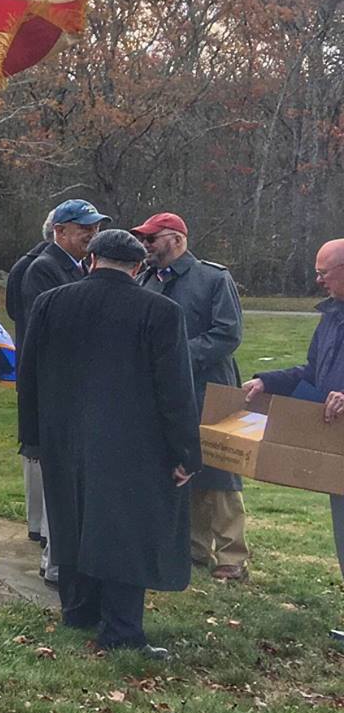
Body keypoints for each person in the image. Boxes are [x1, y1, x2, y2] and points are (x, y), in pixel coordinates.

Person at [16, 228, 197, 657]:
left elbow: (29, 376)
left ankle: (78, 611)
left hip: (63, 438)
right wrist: (185, 451)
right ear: (137, 268)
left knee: (71, 521)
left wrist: (33, 438)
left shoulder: (50, 304)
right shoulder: (160, 312)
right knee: (123, 533)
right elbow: (175, 390)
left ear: (92, 260)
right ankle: (121, 629)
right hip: (133, 444)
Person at [242, 237, 344, 643]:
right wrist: (268, 380)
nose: (318, 281)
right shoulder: (331, 317)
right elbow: (312, 372)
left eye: (325, 273)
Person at [135, 212, 247, 581]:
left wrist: (180, 355)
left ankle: (232, 555)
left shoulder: (213, 278)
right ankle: (193, 548)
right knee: (182, 465)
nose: (146, 245)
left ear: (177, 240)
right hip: (164, 390)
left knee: (219, 469)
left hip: (210, 387)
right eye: (144, 239)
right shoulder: (146, 280)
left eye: (153, 238)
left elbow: (228, 333)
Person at [5, 197, 108, 582]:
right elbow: (44, 329)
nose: (91, 234)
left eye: (95, 228)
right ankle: (54, 544)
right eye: (84, 228)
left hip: (68, 381)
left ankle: (52, 536)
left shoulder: (74, 266)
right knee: (56, 459)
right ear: (59, 232)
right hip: (54, 380)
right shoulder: (44, 269)